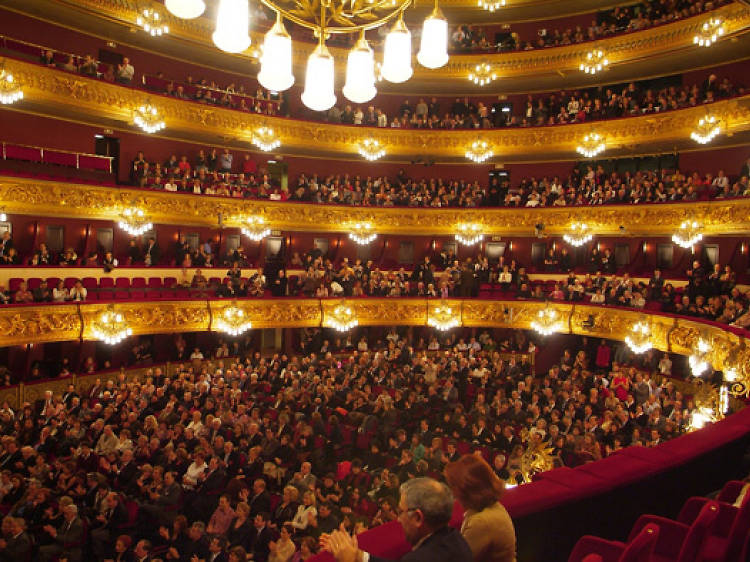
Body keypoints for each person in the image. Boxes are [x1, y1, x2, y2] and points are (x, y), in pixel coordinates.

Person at [322, 477, 472, 562]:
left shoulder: (420, 558)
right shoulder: (456, 539)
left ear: (418, 517)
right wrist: (358, 556)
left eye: (401, 512)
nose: (399, 519)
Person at [444, 454, 516, 562]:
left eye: (454, 487)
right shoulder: (491, 507)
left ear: (467, 491)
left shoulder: (481, 522)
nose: (453, 494)